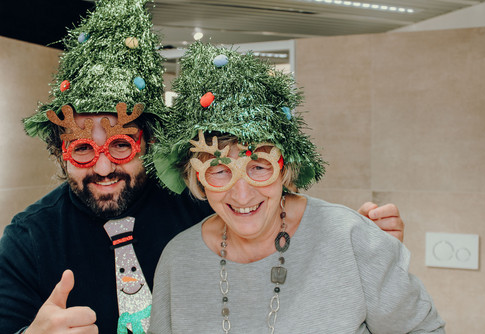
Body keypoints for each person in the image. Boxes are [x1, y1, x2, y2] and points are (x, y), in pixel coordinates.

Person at [0, 1, 405, 334]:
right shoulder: (28, 240)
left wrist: (364, 248)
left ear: (151, 141)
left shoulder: (205, 201)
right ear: (59, 151)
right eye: (82, 150)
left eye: (122, 145)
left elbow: (280, 229)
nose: (104, 166)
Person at [147, 42, 445, 333]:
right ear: (197, 177)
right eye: (220, 171)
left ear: (284, 168)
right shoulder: (179, 259)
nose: (242, 195)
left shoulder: (350, 238)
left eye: (258, 167)